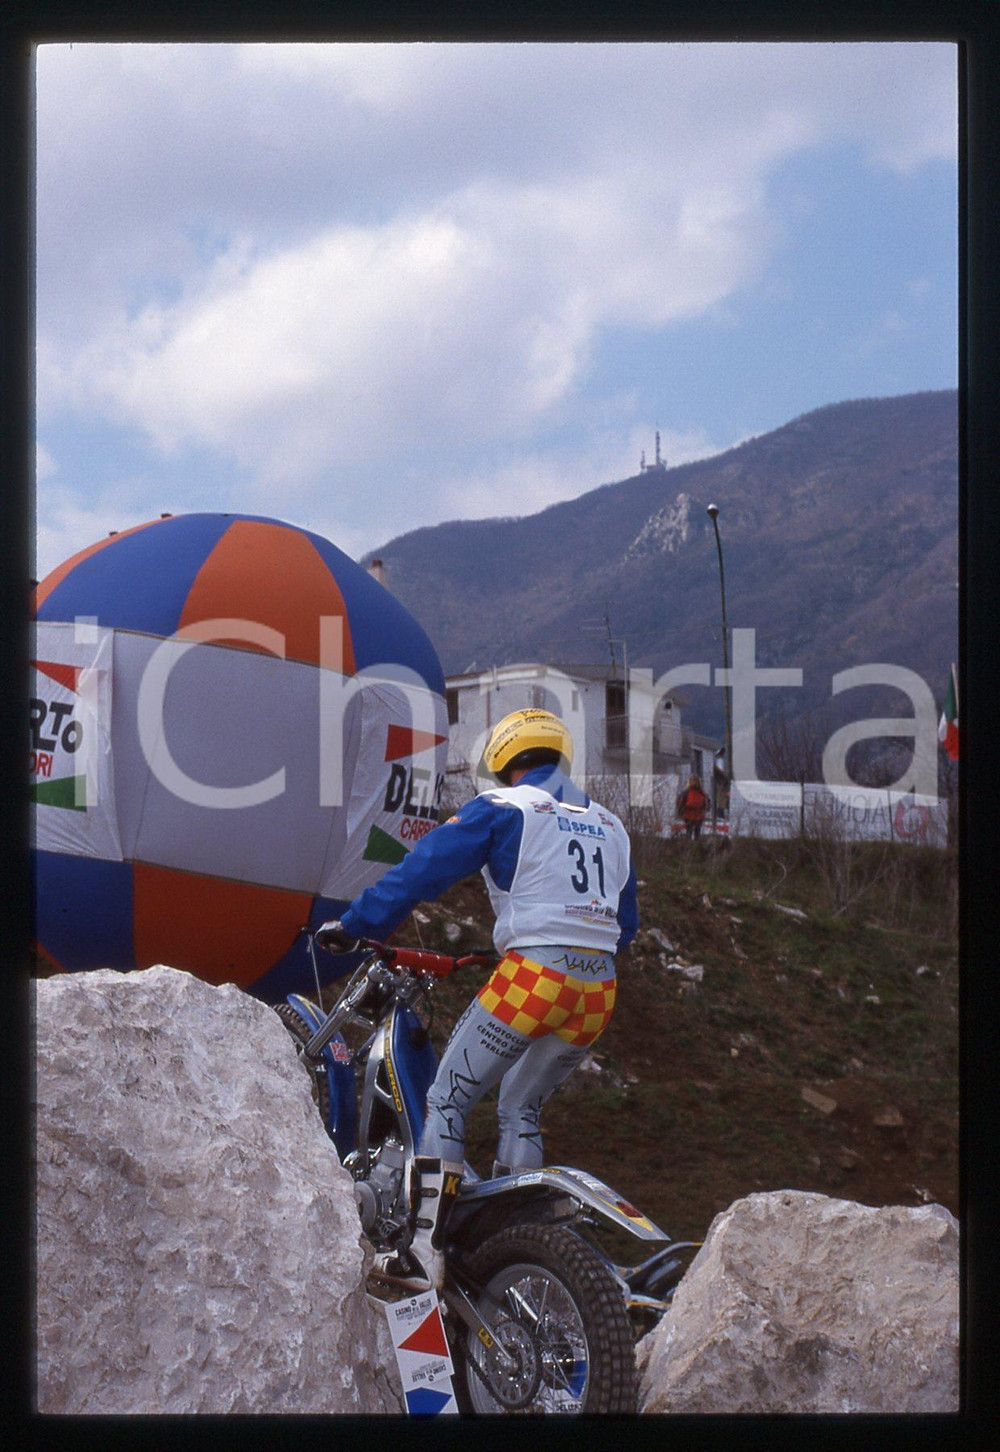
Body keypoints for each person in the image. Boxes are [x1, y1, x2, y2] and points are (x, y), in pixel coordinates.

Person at [316, 708, 638, 1291]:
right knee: (520, 1105)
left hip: (536, 978)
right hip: (599, 990)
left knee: (448, 1097)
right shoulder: (611, 824)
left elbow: (425, 869)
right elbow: (626, 922)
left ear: (502, 763)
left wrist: (361, 923)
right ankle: (520, 1244)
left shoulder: (505, 808)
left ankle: (421, 1251)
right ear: (559, 755)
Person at [676, 773, 709, 840]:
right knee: (693, 831)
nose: (694, 783)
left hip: (694, 815)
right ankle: (693, 845)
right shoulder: (700, 793)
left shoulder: (687, 792)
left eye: (695, 781)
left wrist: (680, 811)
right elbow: (707, 804)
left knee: (692, 831)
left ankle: (692, 845)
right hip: (693, 814)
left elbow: (680, 803)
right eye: (693, 781)